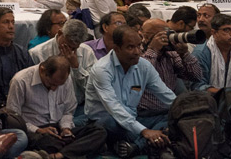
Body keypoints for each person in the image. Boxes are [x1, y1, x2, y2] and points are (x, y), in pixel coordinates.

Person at [85, 26, 176, 157]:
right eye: (130, 47)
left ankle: (135, 146)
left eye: (139, 46)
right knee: (110, 122)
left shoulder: (144, 66)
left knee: (171, 116)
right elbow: (114, 109)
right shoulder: (102, 69)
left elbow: (166, 95)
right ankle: (149, 142)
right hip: (106, 121)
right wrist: (144, 131)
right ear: (116, 49)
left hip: (133, 118)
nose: (137, 52)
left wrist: (183, 110)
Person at [7, 56, 107, 159]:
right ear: (42, 71)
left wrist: (65, 128)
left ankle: (59, 155)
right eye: (51, 84)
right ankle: (78, 150)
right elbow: (13, 119)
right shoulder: (20, 81)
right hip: (36, 131)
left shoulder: (65, 79)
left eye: (59, 85)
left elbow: (68, 110)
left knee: (99, 131)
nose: (54, 89)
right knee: (50, 143)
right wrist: (38, 130)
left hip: (58, 128)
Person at [138, 18, 202, 116]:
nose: (166, 38)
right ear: (146, 36)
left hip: (170, 111)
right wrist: (153, 49)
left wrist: (185, 54)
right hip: (146, 113)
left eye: (167, 33)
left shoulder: (170, 54)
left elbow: (196, 77)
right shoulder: (136, 53)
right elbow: (142, 75)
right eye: (161, 35)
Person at [30, 19, 95, 106]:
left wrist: (76, 68)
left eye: (74, 48)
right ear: (60, 33)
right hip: (47, 106)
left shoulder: (87, 52)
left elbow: (92, 89)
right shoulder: (38, 53)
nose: (70, 51)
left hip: (79, 106)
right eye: (67, 45)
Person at [0, 8, 34, 109]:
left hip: (19, 109)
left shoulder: (22, 54)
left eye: (12, 22)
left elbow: (31, 86)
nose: (11, 27)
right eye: (6, 22)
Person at [192, 13, 231, 93]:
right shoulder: (201, 53)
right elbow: (197, 86)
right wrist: (225, 94)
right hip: (207, 101)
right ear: (214, 33)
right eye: (226, 30)